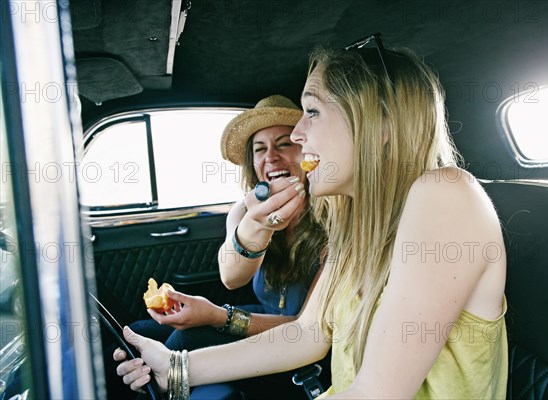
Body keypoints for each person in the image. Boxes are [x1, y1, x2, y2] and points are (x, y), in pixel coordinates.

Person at [115, 37, 508, 399]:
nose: (300, 133)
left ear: (380, 122)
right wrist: (177, 368)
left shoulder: (446, 195)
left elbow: (376, 393)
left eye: (312, 112)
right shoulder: (355, 225)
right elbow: (307, 333)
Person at [114, 95, 328, 399]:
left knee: (186, 338)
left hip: (305, 351)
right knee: (139, 332)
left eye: (284, 144)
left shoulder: (333, 224)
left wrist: (217, 316)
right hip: (265, 318)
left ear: (306, 151)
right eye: (259, 149)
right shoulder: (243, 212)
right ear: (252, 165)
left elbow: (305, 328)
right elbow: (232, 278)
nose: (271, 157)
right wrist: (260, 225)